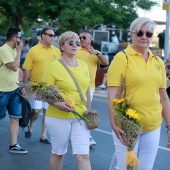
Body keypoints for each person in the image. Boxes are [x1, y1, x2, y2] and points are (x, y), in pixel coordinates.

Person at [107, 17, 170, 170]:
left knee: (145, 168)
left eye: (149, 34)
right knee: (126, 168)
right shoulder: (122, 58)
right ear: (132, 35)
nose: (144, 37)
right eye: (140, 33)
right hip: (128, 125)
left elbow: (163, 98)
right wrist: (114, 123)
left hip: (152, 126)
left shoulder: (158, 62)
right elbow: (113, 95)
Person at [43, 31, 91, 170]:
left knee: (84, 155)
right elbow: (46, 93)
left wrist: (89, 110)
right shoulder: (53, 67)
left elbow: (87, 90)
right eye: (71, 42)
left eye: (77, 43)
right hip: (58, 116)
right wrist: (58, 104)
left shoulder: (83, 65)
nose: (75, 45)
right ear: (62, 46)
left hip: (81, 116)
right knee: (59, 153)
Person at [23, 28, 61, 143]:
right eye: (50, 35)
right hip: (36, 86)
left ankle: (43, 135)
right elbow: (27, 69)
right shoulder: (33, 50)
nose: (52, 37)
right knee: (36, 110)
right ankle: (31, 125)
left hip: (50, 88)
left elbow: (60, 69)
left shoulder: (57, 51)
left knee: (47, 111)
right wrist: (25, 86)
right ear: (43, 36)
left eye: (54, 35)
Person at [75, 30, 109, 146]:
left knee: (86, 111)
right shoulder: (75, 50)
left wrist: (96, 53)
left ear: (90, 40)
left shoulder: (95, 53)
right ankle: (78, 134)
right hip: (74, 86)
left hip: (90, 87)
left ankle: (87, 137)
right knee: (76, 109)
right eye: (80, 37)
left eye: (84, 37)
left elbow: (106, 63)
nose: (81, 39)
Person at [0, 27, 27, 154]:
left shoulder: (14, 50)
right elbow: (15, 67)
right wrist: (20, 50)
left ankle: (14, 144)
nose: (21, 40)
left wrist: (21, 84)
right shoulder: (4, 50)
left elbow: (17, 71)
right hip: (2, 90)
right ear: (14, 38)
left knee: (15, 117)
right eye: (20, 37)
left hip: (15, 90)